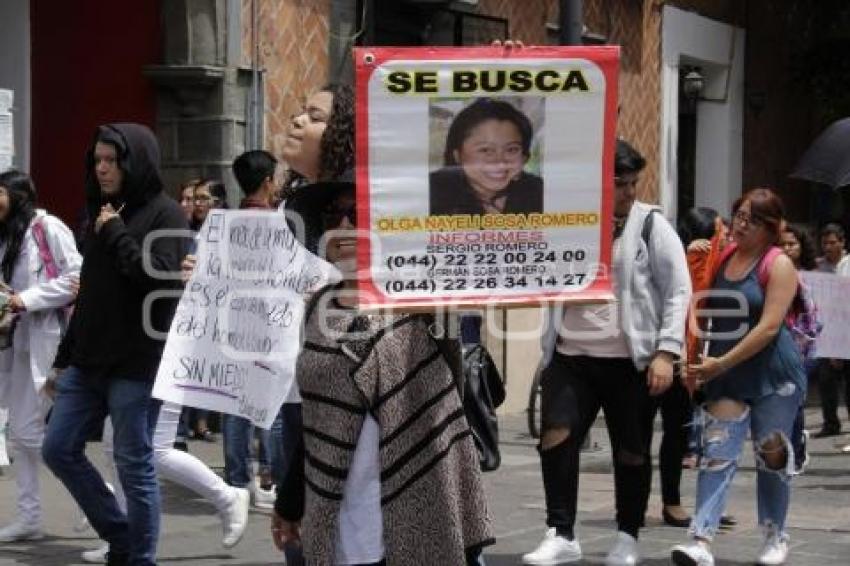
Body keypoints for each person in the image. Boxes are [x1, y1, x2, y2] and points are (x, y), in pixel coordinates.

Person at [272, 180, 494, 565]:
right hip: (337, 520)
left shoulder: (420, 310)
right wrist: (290, 501)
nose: (343, 224)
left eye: (357, 214)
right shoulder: (319, 309)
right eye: (332, 215)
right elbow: (316, 421)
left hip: (407, 517)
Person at [523, 140, 691, 566]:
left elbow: (679, 290)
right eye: (619, 184)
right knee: (556, 438)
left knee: (631, 451)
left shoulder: (651, 225)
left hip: (629, 364)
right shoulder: (567, 221)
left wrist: (667, 353)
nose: (628, 191)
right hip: (570, 357)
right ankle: (561, 533)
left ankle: (627, 536)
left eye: (633, 183)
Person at [41, 123, 188, 566]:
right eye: (98, 160)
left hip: (138, 363)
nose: (102, 169)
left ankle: (139, 557)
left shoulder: (167, 215)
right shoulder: (103, 210)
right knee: (57, 447)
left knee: (133, 462)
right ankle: (120, 535)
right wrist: (63, 359)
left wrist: (117, 232)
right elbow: (92, 292)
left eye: (112, 161)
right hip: (89, 361)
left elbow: (156, 278)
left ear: (135, 161)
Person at [670, 188, 805, 566]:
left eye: (752, 219)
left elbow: (768, 328)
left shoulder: (778, 264)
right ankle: (700, 539)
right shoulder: (722, 255)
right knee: (716, 452)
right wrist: (695, 360)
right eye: (739, 215)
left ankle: (775, 535)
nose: (741, 224)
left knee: (771, 454)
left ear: (771, 228)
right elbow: (699, 305)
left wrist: (719, 362)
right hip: (726, 374)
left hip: (775, 375)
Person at [0, 170, 82, 542]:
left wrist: (24, 299)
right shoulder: (8, 236)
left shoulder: (47, 227)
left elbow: (76, 278)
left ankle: (99, 497)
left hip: (51, 339)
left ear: (19, 195)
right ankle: (29, 517)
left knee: (42, 437)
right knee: (20, 432)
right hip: (18, 340)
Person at [430, 98, 543, 216]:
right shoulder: (430, 193)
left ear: (524, 157)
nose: (500, 162)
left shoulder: (541, 192)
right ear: (457, 155)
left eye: (511, 150)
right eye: (485, 150)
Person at [812, 223, 849, 438]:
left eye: (833, 242)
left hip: (847, 328)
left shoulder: (849, 264)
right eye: (825, 243)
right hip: (827, 331)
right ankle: (830, 424)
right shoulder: (819, 267)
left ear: (842, 242)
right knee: (826, 379)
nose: (828, 247)